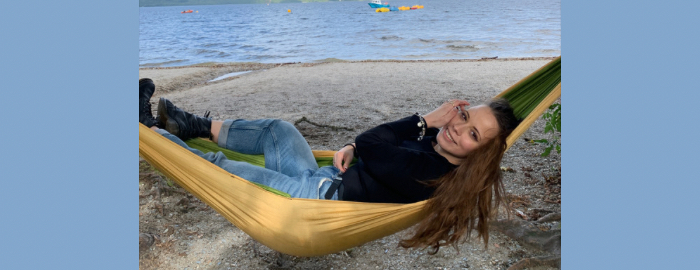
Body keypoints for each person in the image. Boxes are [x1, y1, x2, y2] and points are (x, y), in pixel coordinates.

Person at [139, 78, 520, 253]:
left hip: (312, 203)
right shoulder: (434, 148)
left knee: (219, 167)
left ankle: (146, 131)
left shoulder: (435, 173)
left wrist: (424, 119)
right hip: (325, 176)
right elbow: (371, 145)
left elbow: (375, 142)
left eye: (472, 135)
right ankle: (188, 125)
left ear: (481, 154)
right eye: (465, 116)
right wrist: (355, 146)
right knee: (279, 131)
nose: (457, 127)